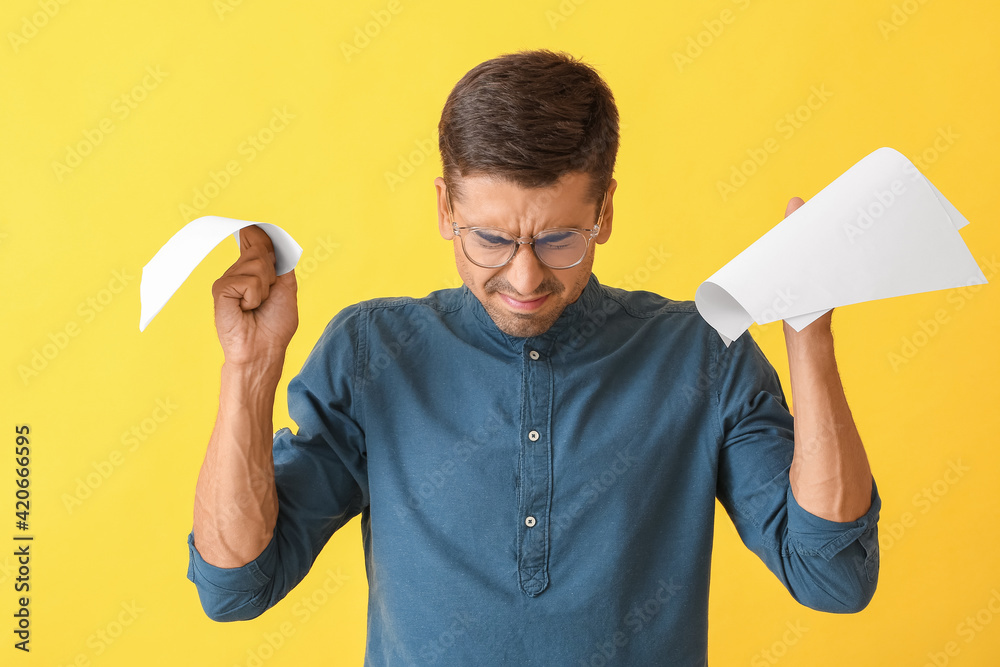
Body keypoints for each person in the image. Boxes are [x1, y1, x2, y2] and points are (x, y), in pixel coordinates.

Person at [186, 49, 880, 665]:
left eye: (558, 239)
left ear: (605, 210)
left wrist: (809, 334)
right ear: (443, 209)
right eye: (488, 239)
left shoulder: (702, 350)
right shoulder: (374, 350)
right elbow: (237, 583)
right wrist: (249, 370)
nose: (524, 279)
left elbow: (834, 576)